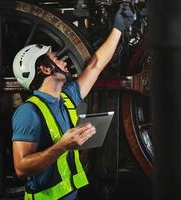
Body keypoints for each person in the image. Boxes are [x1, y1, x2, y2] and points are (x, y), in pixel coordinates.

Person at [12, 4, 134, 200]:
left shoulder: (66, 98)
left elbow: (95, 66)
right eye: (55, 59)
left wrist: (118, 28)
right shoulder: (29, 112)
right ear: (45, 69)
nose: (63, 62)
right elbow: (21, 167)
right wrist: (63, 145)